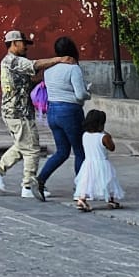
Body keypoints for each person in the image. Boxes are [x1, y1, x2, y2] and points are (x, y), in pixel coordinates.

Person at [0, 30, 78, 201]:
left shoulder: (9, 62)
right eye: (23, 43)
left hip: (14, 111)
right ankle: (27, 185)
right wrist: (59, 59)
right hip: (19, 112)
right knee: (32, 149)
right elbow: (35, 65)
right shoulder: (14, 60)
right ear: (14, 43)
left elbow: (27, 81)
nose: (26, 47)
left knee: (22, 145)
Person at [36, 36, 89, 195]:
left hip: (52, 111)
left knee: (62, 151)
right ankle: (80, 187)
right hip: (70, 111)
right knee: (80, 151)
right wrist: (89, 94)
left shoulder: (49, 69)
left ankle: (40, 180)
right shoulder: (73, 68)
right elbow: (80, 94)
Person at [72, 108, 125, 211]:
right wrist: (108, 136)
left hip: (88, 163)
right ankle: (110, 199)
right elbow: (112, 148)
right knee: (108, 180)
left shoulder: (85, 135)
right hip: (102, 163)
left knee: (86, 182)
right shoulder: (104, 137)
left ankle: (82, 199)